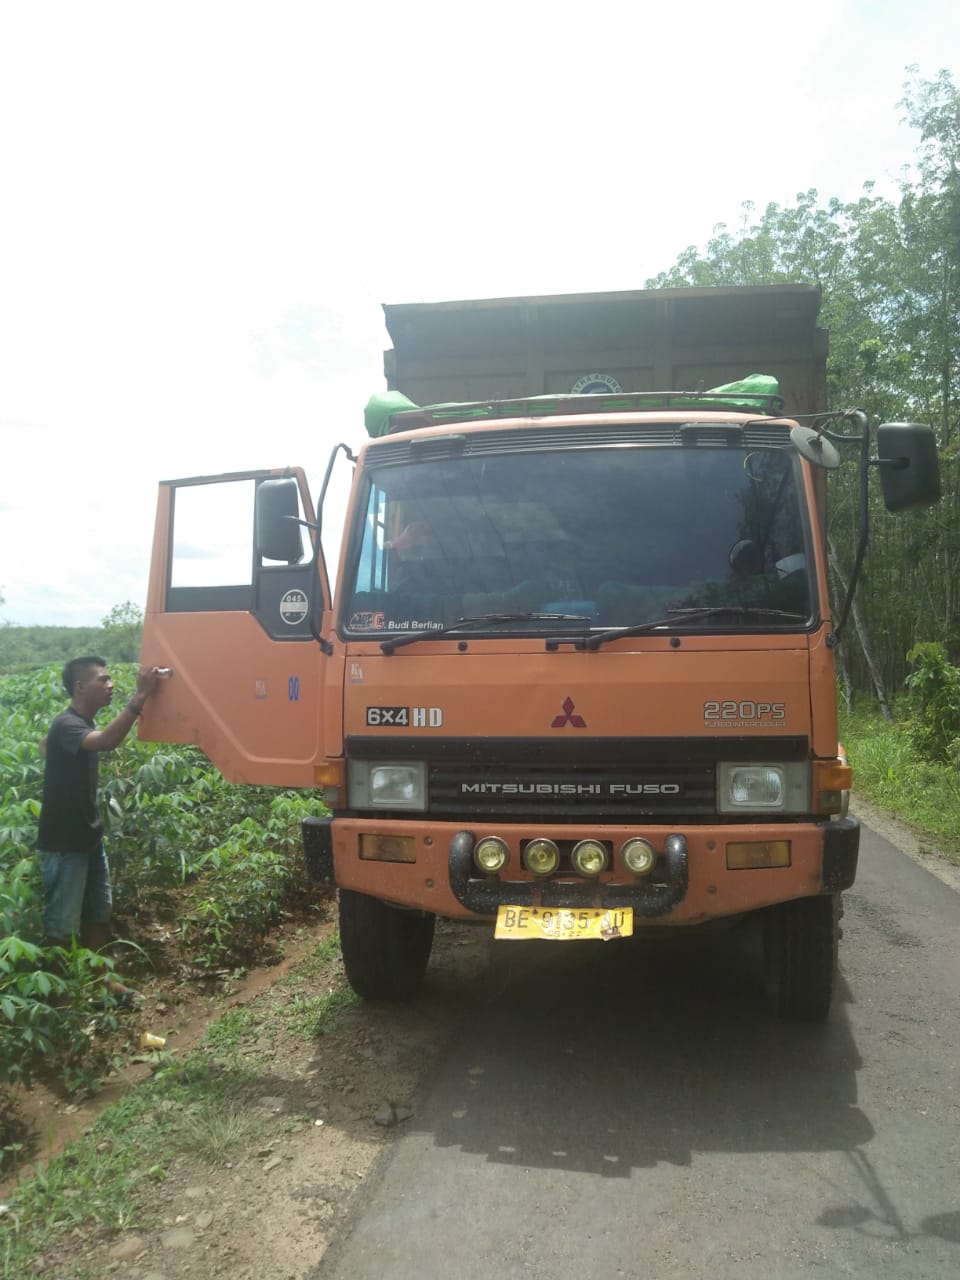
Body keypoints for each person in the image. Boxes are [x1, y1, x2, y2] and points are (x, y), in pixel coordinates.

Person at [37, 656, 161, 1004]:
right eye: (102, 680)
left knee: (98, 914)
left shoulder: (74, 725)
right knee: (61, 926)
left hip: (89, 838)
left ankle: (100, 983)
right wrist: (139, 698)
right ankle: (59, 1001)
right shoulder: (68, 724)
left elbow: (55, 746)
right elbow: (107, 741)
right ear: (80, 687)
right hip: (64, 844)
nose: (110, 685)